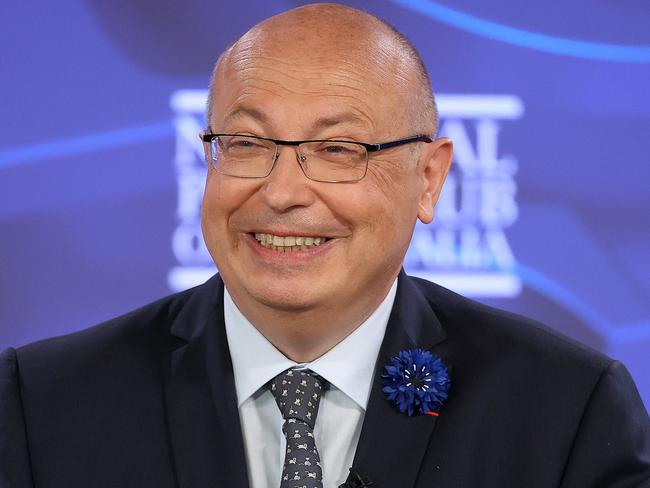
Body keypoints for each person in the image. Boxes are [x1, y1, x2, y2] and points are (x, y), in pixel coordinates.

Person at [1, 3, 649, 488]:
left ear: (429, 177)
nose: (282, 192)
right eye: (248, 144)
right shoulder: (41, 404)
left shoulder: (567, 412)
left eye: (338, 150)